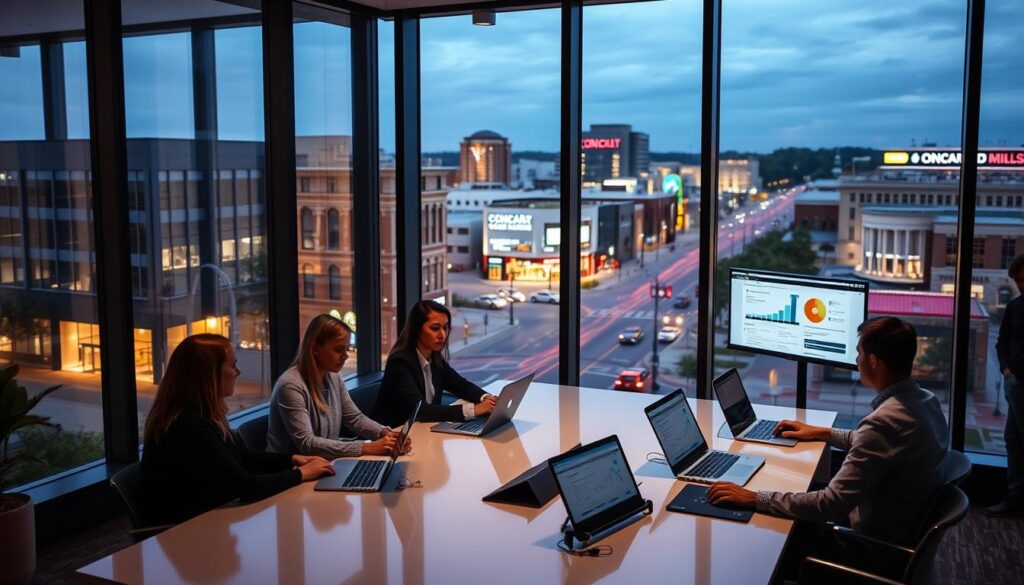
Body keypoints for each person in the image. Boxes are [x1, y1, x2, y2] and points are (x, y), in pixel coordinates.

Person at [709, 317, 947, 553]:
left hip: (870, 544)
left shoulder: (883, 423)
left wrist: (753, 498)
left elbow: (829, 505)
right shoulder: (925, 401)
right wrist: (821, 432)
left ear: (873, 361)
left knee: (765, 534)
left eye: (859, 353)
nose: (857, 360)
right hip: (901, 524)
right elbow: (876, 444)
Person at [140, 334, 334, 526]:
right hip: (188, 533)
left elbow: (242, 456)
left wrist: (292, 459)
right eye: (232, 365)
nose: (238, 371)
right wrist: (301, 474)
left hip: (212, 519)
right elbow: (245, 486)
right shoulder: (187, 427)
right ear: (209, 374)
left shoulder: (203, 414)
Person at [267, 314, 410, 459]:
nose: (346, 356)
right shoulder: (290, 385)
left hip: (323, 463)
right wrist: (366, 447)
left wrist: (385, 434)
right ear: (315, 349)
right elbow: (307, 444)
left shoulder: (333, 377)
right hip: (292, 473)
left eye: (347, 349)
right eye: (338, 350)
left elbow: (354, 418)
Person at [374, 300, 497, 427]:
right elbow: (420, 411)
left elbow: (460, 385)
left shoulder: (434, 357)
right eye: (435, 328)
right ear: (417, 329)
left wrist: (486, 398)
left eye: (445, 327)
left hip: (423, 430)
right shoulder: (400, 363)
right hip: (394, 437)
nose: (442, 335)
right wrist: (474, 410)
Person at [990, 254, 1024, 516]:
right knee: (1012, 439)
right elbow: (1002, 341)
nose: (1021, 286)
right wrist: (1006, 369)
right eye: (1017, 282)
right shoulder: (1015, 307)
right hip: (1015, 384)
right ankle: (1015, 498)